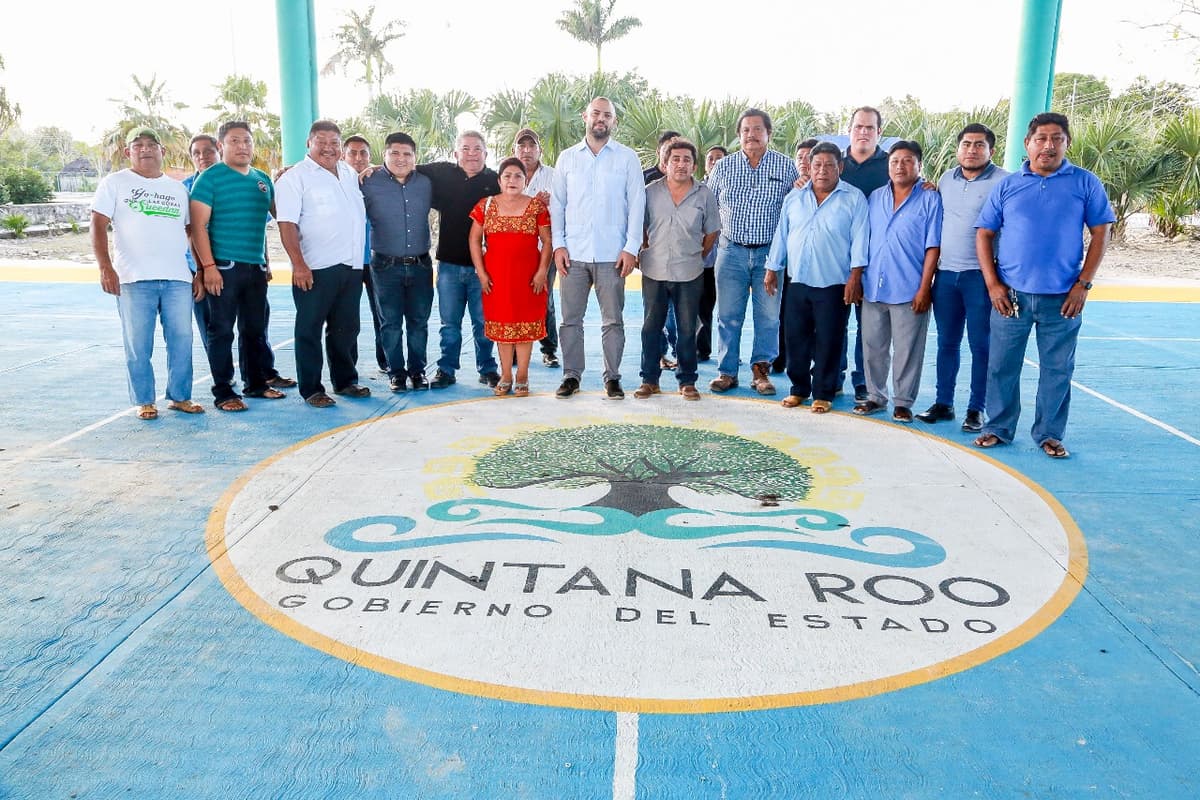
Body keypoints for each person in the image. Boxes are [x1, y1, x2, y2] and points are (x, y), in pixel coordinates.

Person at [974, 112, 1115, 458]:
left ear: (1067, 143)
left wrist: (1083, 284)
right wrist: (993, 284)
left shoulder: (1085, 183)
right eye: (1041, 139)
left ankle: (1050, 434)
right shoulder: (1007, 185)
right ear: (1028, 144)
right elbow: (984, 233)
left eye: (1057, 139)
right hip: (1011, 297)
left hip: (1063, 300)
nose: (1048, 146)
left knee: (1057, 370)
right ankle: (998, 428)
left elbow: (1101, 232)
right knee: (1002, 366)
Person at [91, 127, 204, 420]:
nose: (145, 149)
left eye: (151, 145)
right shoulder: (114, 183)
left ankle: (180, 397)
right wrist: (105, 266)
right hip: (133, 278)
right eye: (137, 145)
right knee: (138, 344)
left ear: (162, 152)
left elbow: (191, 231)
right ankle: (145, 400)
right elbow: (98, 224)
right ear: (128, 152)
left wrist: (198, 270)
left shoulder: (178, 189)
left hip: (178, 277)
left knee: (181, 339)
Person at [550, 96, 646, 399]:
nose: (600, 119)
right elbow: (558, 204)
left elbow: (637, 204)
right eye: (596, 114)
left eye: (607, 115)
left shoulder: (627, 158)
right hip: (573, 255)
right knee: (570, 320)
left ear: (613, 121)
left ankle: (612, 377)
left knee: (613, 320)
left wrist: (631, 247)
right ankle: (571, 376)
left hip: (613, 255)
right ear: (585, 117)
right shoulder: (567, 158)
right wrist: (558, 245)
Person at [916, 123, 1009, 432]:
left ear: (991, 150)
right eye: (966, 144)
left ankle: (976, 408)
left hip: (980, 278)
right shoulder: (945, 179)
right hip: (945, 276)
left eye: (979, 145)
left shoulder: (1004, 181)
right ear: (958, 149)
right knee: (946, 343)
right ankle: (944, 403)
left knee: (981, 345)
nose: (972, 149)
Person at [183, 133, 294, 390]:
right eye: (235, 141)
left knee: (254, 330)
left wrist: (294, 176)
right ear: (222, 146)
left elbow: (282, 216)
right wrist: (208, 268)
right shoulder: (208, 178)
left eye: (247, 141)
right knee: (221, 331)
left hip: (255, 268)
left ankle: (256, 384)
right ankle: (223, 391)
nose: (242, 146)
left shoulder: (262, 179)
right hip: (223, 267)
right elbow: (198, 227)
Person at [766, 142, 868, 414]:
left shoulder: (854, 198)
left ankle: (823, 392)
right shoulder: (795, 197)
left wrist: (855, 276)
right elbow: (782, 235)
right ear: (809, 167)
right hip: (797, 279)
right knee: (795, 338)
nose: (822, 170)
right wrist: (771, 268)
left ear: (840, 168)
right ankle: (799, 389)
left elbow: (860, 239)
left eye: (829, 165)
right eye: (817, 165)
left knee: (829, 339)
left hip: (834, 283)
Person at [275, 120, 370, 408]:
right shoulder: (294, 178)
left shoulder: (348, 173)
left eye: (334, 143)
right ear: (309, 143)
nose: (328, 148)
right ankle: (312, 389)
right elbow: (287, 223)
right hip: (315, 267)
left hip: (351, 265)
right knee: (309, 328)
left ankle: (345, 381)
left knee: (346, 327)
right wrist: (299, 264)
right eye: (321, 142)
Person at [706, 108, 798, 395]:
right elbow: (708, 209)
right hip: (730, 252)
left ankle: (761, 371)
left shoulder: (785, 167)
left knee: (768, 317)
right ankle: (727, 372)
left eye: (758, 129)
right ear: (739, 135)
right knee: (728, 315)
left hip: (769, 256)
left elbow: (796, 208)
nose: (751, 135)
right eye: (746, 130)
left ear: (768, 133)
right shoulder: (723, 167)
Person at [853, 140, 943, 423]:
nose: (900, 166)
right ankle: (876, 396)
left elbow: (933, 247)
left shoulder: (930, 199)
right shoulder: (874, 197)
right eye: (895, 161)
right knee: (872, 347)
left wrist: (924, 287)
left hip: (909, 288)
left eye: (907, 161)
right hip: (873, 286)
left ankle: (903, 401)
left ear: (919, 165)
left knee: (907, 350)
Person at [634, 139, 720, 401]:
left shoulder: (704, 194)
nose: (681, 164)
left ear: (694, 165)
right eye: (676, 159)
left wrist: (695, 255)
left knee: (686, 328)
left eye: (686, 160)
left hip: (690, 272)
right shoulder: (649, 192)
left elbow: (711, 233)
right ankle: (649, 380)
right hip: (654, 270)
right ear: (665, 163)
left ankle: (687, 381)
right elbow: (641, 228)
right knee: (651, 327)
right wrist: (647, 251)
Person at [419, 132, 502, 389]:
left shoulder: (495, 181)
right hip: (448, 267)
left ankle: (487, 368)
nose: (471, 153)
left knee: (484, 323)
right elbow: (404, 165)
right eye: (465, 148)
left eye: (477, 148)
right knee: (450, 324)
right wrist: (374, 168)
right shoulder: (442, 173)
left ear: (486, 154)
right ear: (456, 154)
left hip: (483, 269)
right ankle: (446, 369)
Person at [468, 156, 552, 397]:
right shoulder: (485, 205)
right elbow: (474, 239)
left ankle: (522, 375)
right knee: (503, 328)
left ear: (525, 181)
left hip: (529, 279)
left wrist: (541, 272)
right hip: (496, 279)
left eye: (518, 176)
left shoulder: (537, 207)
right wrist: (481, 272)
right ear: (499, 180)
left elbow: (547, 241)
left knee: (524, 328)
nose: (512, 180)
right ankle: (506, 374)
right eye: (507, 176)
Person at [360, 132, 434, 393]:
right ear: (384, 156)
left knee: (418, 322)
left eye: (407, 154)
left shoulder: (426, 183)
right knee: (390, 323)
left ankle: (418, 371)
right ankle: (397, 373)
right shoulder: (367, 182)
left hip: (421, 265)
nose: (401, 159)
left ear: (415, 158)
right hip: (384, 266)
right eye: (395, 153)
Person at [839, 107, 891, 401]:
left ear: (878, 133)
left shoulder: (889, 166)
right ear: (850, 130)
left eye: (870, 128)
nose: (864, 132)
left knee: (868, 328)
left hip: (874, 261)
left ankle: (863, 381)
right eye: (859, 126)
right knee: (834, 323)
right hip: (835, 258)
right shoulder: (837, 165)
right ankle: (834, 375)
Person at [514, 127, 559, 368]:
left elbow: (564, 210)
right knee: (515, 300)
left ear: (540, 150)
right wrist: (533, 204)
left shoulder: (555, 175)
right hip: (514, 252)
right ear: (515, 150)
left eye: (532, 146)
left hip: (545, 250)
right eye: (522, 146)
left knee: (544, 299)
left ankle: (549, 348)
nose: (527, 151)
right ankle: (513, 348)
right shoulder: (506, 176)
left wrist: (548, 204)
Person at [773, 137, 819, 374]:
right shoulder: (788, 187)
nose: (803, 161)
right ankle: (780, 358)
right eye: (799, 156)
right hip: (789, 265)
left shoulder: (833, 188)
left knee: (818, 320)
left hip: (822, 268)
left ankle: (817, 365)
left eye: (809, 156)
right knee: (785, 315)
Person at [343, 134, 388, 375]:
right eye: (353, 153)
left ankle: (387, 360)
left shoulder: (379, 180)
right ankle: (348, 368)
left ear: (370, 157)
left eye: (363, 153)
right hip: (347, 261)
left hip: (376, 260)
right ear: (344, 155)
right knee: (347, 318)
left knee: (382, 315)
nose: (358, 158)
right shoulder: (336, 180)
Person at [644, 130, 683, 370]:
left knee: (679, 313)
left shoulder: (686, 180)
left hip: (682, 258)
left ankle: (681, 354)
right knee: (655, 313)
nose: (675, 157)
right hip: (653, 257)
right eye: (669, 149)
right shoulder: (646, 179)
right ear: (661, 152)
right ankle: (658, 355)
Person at [696, 145, 727, 362]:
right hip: (704, 261)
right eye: (710, 158)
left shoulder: (733, 185)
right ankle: (701, 349)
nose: (714, 162)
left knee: (726, 310)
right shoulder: (696, 189)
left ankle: (727, 353)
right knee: (701, 308)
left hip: (726, 258)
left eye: (719, 158)